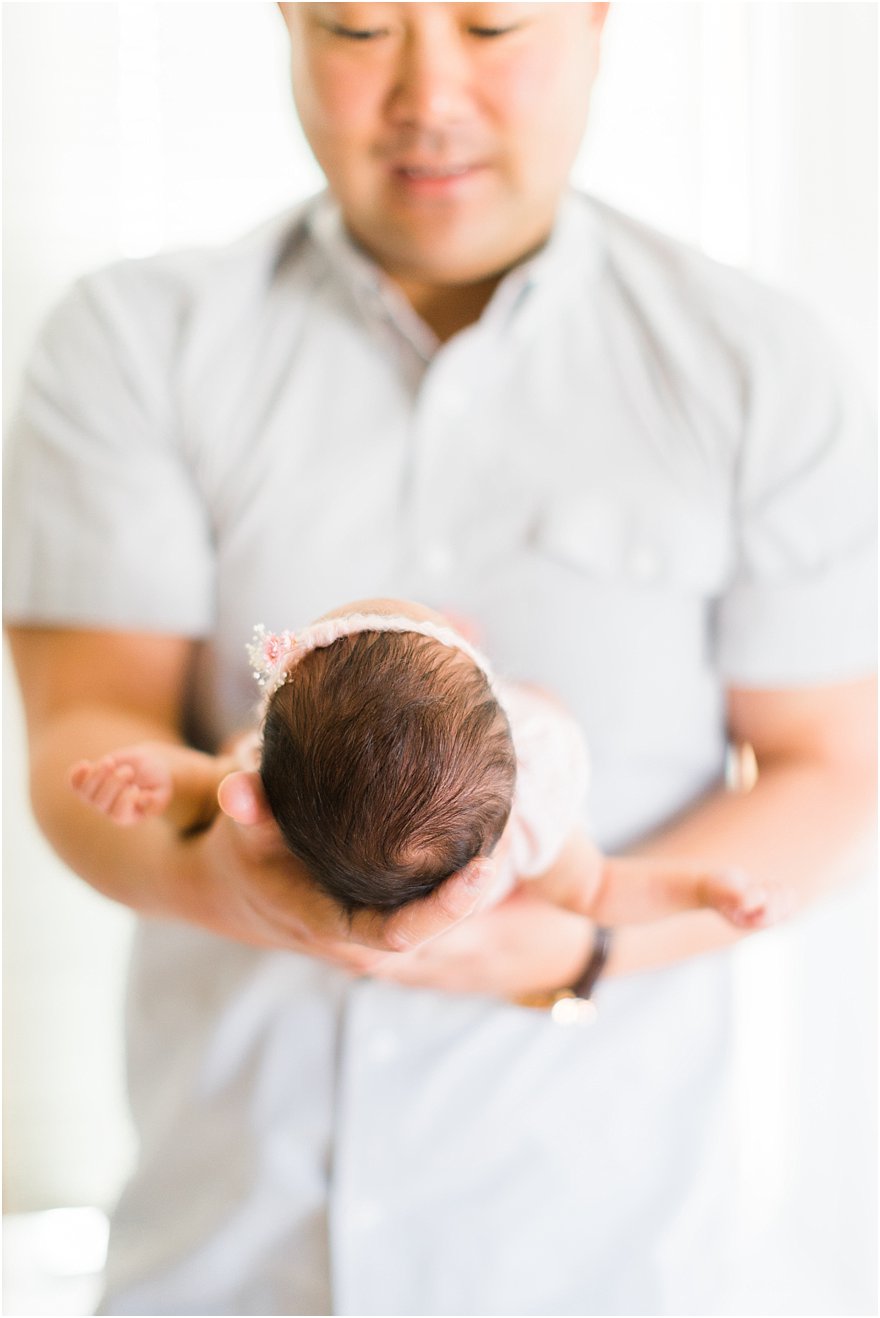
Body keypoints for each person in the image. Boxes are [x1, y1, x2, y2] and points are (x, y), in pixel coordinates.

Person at [3, 3, 875, 1313]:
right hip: (225, 1257)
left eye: (492, 23)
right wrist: (229, 861)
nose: (429, 95)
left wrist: (577, 951)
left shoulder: (754, 366)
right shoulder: (135, 341)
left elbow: (827, 762)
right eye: (358, 28)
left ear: (594, 21)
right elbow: (84, 734)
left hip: (599, 1254)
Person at [68, 596, 780, 927]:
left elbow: (216, 789)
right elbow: (602, 894)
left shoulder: (284, 774)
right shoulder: (535, 812)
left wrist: (169, 779)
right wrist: (698, 891)